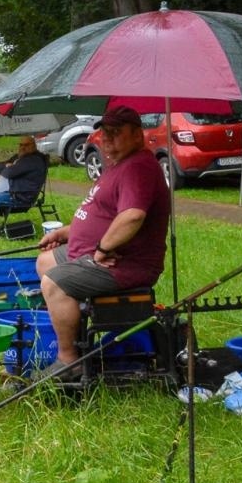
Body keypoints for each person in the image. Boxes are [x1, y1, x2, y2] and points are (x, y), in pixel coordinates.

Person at [35, 106, 171, 375]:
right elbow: (103, 213)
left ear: (137, 135)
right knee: (46, 261)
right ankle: (75, 330)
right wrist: (66, 233)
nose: (107, 138)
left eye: (116, 132)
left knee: (53, 282)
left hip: (124, 264)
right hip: (91, 251)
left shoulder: (139, 167)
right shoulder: (119, 164)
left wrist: (102, 249)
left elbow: (132, 216)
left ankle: (69, 361)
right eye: (104, 132)